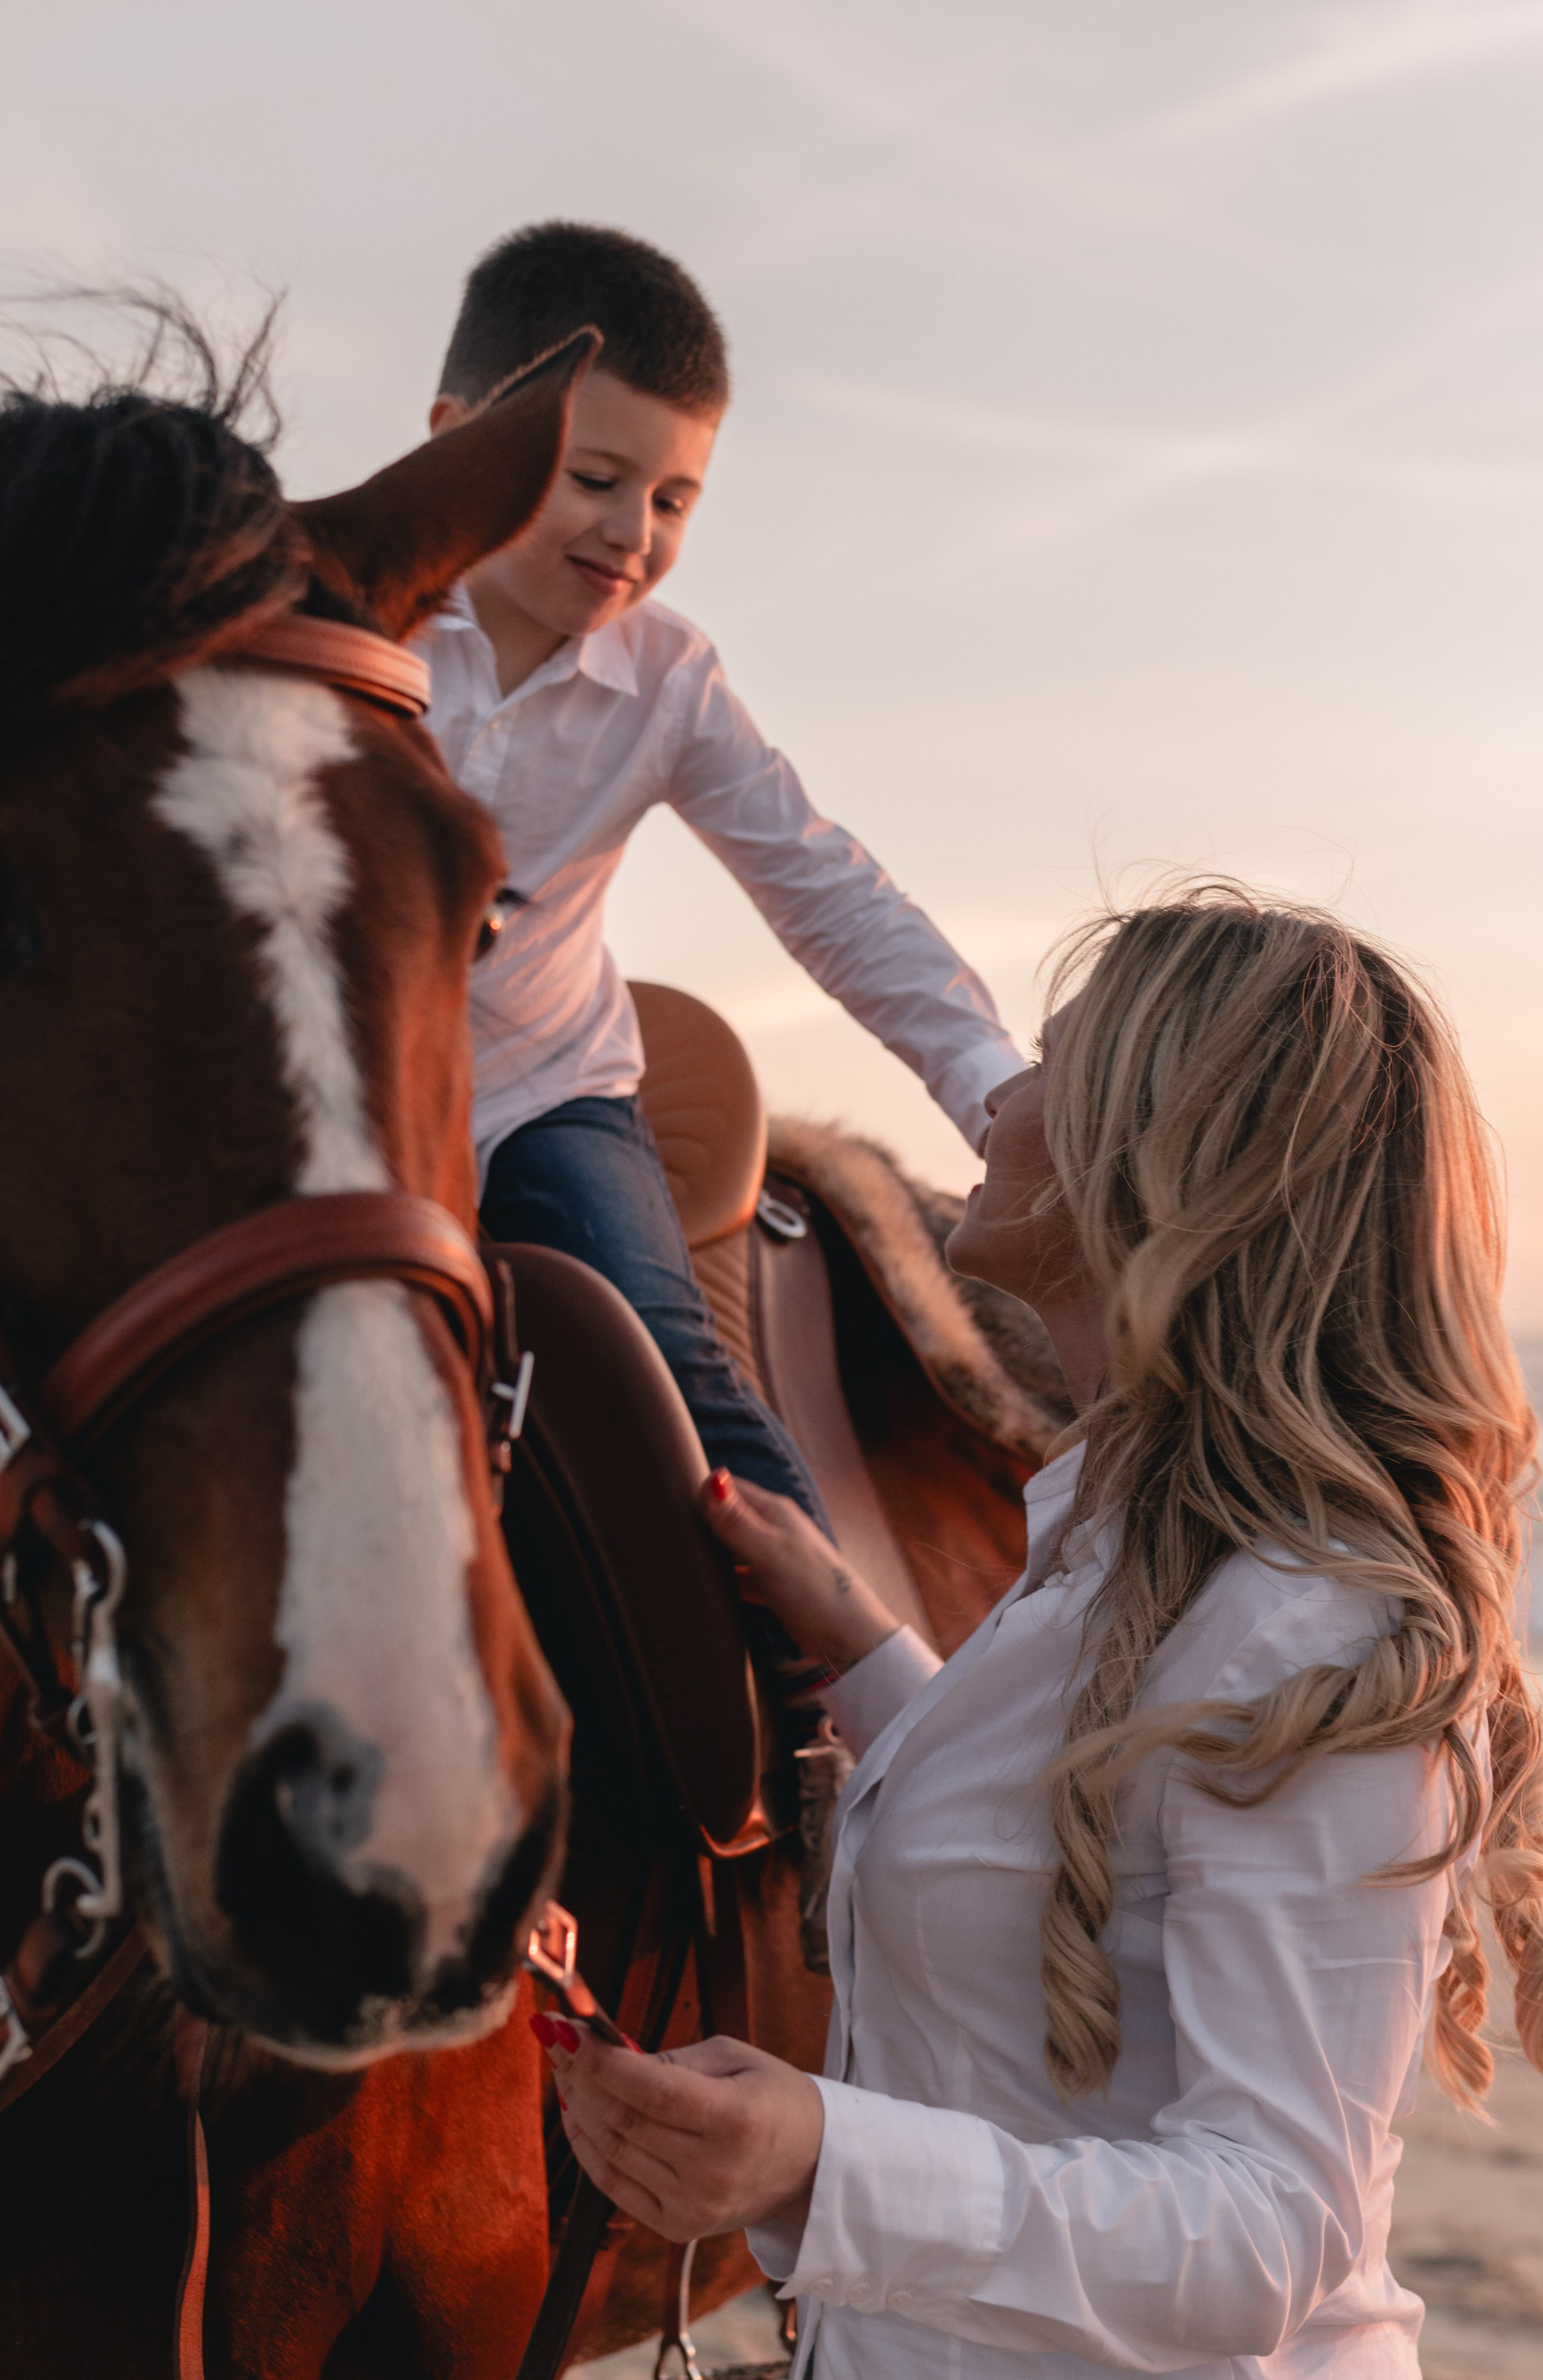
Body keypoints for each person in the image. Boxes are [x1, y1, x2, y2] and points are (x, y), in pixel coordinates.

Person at [532, 885, 1543, 2376]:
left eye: (1049, 1060)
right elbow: (1071, 1821)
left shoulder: (1309, 1631)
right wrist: (858, 1641)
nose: (1001, 1092)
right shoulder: (1115, 1555)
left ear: (1154, 1161)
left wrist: (815, 2161)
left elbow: (1262, 2235)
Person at [421, 222, 1021, 1582]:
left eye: (676, 499)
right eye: (594, 478)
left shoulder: (670, 681)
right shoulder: (328, 623)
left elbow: (825, 886)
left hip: (536, 1089)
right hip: (330, 1093)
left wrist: (996, 1090)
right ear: (455, 439)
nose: (633, 533)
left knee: (662, 1362)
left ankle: (832, 1713)